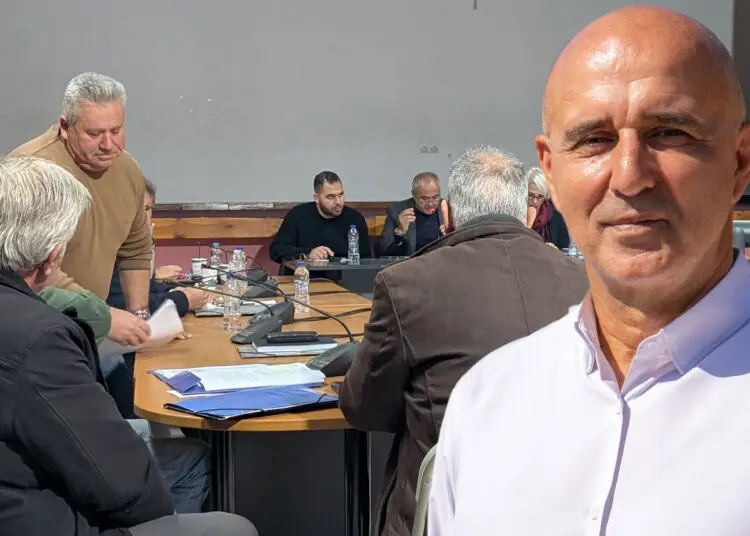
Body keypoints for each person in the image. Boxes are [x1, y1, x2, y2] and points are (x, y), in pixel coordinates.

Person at [429, 6, 750, 535]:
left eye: (669, 132)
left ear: (739, 162)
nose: (629, 176)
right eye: (594, 139)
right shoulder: (487, 399)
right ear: (550, 172)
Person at [0, 156, 257, 535]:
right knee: (234, 527)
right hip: (34, 513)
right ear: (53, 257)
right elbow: (123, 486)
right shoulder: (40, 340)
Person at [340, 146, 589, 536]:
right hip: (567, 511)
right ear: (527, 214)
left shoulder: (406, 283)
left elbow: (364, 409)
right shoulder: (586, 282)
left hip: (448, 514)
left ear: (447, 215)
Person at [10, 72, 153, 349]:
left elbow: (135, 249)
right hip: (35, 333)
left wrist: (139, 319)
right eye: (94, 134)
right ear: (65, 127)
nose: (108, 145)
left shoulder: (128, 169)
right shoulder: (33, 172)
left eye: (116, 131)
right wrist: (104, 318)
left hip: (92, 332)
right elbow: (31, 269)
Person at [108, 178, 210, 318]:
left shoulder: (134, 241)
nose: (144, 216)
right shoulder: (110, 248)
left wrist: (177, 291)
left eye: (147, 208)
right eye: (137, 209)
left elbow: (148, 288)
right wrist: (183, 300)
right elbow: (123, 304)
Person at [269, 171, 371, 273]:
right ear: (317, 198)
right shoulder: (297, 216)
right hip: (306, 278)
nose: (338, 202)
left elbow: (366, 260)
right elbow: (276, 251)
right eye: (331, 197)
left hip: (344, 278)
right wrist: (308, 254)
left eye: (340, 195)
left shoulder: (355, 219)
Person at [378, 172, 450, 256]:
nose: (431, 204)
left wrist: (451, 233)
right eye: (424, 199)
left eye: (435, 197)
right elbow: (383, 251)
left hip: (440, 261)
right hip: (412, 262)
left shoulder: (447, 209)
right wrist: (400, 233)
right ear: (414, 195)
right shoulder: (397, 211)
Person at [525, 166, 570, 249]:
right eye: (530, 195)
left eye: (540, 196)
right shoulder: (517, 213)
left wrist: (554, 250)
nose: (535, 201)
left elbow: (564, 248)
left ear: (545, 196)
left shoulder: (556, 215)